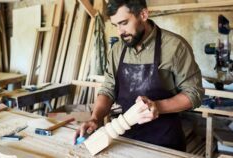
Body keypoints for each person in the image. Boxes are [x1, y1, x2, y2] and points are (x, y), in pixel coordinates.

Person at [74, 0, 204, 151]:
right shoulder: (117, 50)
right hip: (125, 140)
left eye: (123, 23)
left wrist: (157, 107)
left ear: (143, 14)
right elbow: (108, 90)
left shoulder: (175, 47)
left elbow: (194, 94)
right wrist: (95, 118)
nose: (120, 32)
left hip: (164, 142)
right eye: (115, 25)